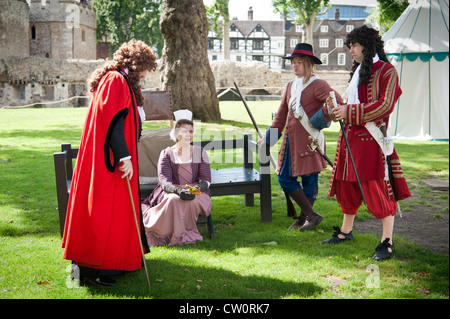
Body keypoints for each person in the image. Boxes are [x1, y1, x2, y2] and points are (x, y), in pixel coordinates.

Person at [62, 39, 157, 286]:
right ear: (136, 64)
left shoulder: (119, 80)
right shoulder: (115, 80)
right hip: (110, 163)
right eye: (145, 67)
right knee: (103, 212)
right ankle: (93, 269)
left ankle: (105, 264)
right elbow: (112, 120)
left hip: (111, 159)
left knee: (110, 212)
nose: (146, 73)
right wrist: (124, 157)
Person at [321, 25, 411, 261]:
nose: (351, 50)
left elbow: (385, 105)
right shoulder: (359, 71)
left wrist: (348, 112)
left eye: (354, 45)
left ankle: (387, 241)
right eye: (350, 46)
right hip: (348, 140)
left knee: (376, 189)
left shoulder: (388, 71)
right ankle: (345, 232)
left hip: (371, 141)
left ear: (367, 46)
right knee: (347, 186)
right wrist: (333, 110)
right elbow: (349, 104)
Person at [258, 43, 343, 231]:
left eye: (299, 62)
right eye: (293, 62)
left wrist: (323, 114)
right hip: (290, 142)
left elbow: (338, 103)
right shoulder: (291, 86)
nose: (294, 66)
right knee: (284, 179)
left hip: (310, 142)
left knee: (309, 182)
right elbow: (280, 117)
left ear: (308, 64)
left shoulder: (318, 84)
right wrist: (267, 140)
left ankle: (304, 219)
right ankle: (311, 215)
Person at [141, 110, 212, 247]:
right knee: (173, 200)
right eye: (184, 132)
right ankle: (165, 236)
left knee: (191, 201)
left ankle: (183, 235)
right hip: (171, 190)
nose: (188, 135)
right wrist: (178, 192)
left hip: (196, 190)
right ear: (176, 134)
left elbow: (206, 180)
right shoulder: (167, 153)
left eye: (191, 132)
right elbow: (164, 181)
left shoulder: (199, 152)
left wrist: (196, 189)